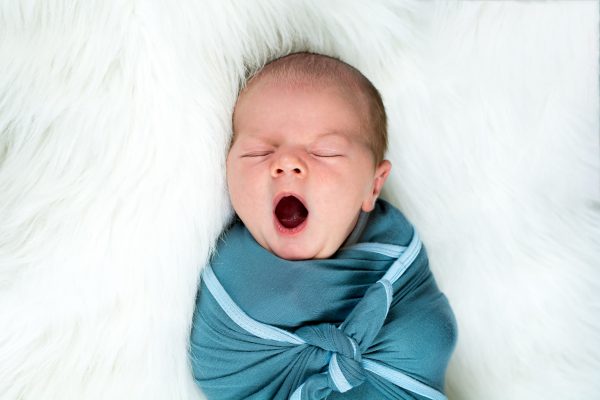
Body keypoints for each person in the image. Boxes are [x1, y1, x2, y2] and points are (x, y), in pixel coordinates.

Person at [189, 52, 457, 400]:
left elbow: (429, 334)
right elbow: (219, 369)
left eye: (326, 152)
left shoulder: (394, 244)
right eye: (258, 152)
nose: (286, 162)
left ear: (374, 186)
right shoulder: (231, 286)